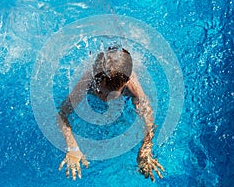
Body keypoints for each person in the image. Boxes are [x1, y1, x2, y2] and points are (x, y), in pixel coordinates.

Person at [57, 46, 164, 182]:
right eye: (98, 90)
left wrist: (145, 149)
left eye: (109, 94)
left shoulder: (132, 87)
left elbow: (149, 121)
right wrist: (72, 147)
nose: (101, 97)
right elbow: (61, 113)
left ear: (124, 84)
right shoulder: (88, 82)